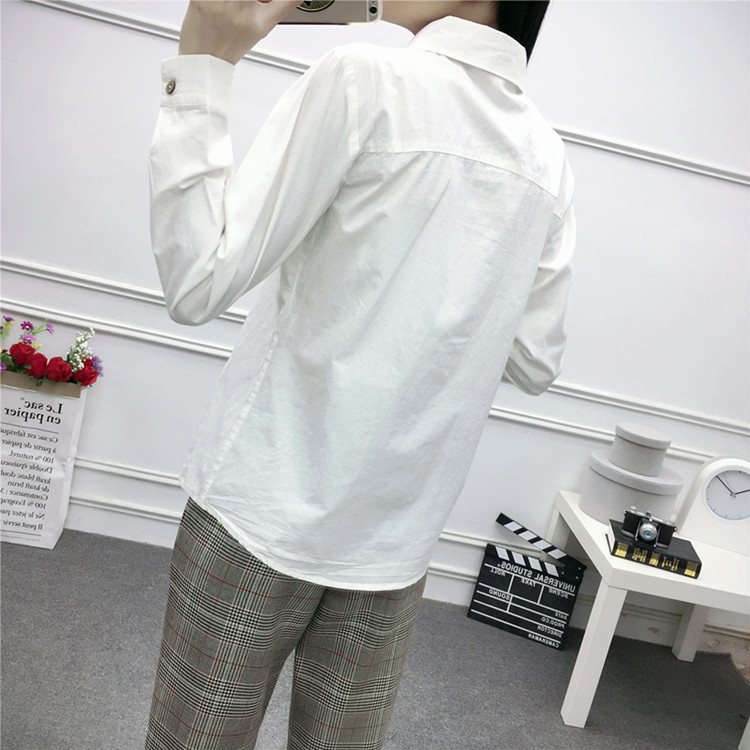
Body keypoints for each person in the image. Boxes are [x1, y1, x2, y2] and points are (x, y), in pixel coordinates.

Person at [146, 1, 574, 748]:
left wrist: (204, 68)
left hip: (261, 510)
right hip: (392, 544)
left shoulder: (362, 79)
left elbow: (198, 281)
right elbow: (536, 362)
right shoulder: (548, 157)